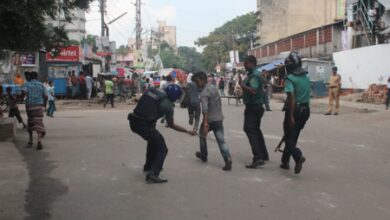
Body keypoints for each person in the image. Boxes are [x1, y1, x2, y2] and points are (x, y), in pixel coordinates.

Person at [128, 84, 195, 184]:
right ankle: (153, 173)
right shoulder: (167, 105)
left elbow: (144, 104)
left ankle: (148, 166)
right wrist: (187, 131)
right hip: (144, 126)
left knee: (153, 141)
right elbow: (171, 125)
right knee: (162, 148)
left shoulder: (152, 90)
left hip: (133, 120)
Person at [193, 72, 233, 171]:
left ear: (202, 80)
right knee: (221, 140)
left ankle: (204, 155)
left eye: (197, 82)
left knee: (202, 134)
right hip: (218, 118)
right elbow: (218, 102)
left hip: (210, 119)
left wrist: (205, 123)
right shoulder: (214, 88)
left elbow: (205, 109)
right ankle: (227, 157)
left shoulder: (203, 93)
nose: (196, 84)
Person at [280, 52, 310, 174]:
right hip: (306, 110)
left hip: (295, 110)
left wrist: (291, 116)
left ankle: (297, 156)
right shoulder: (305, 77)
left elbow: (291, 96)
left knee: (288, 137)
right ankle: (285, 161)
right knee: (293, 136)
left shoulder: (289, 78)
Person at [239, 55, 269, 169]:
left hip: (253, 107)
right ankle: (264, 154)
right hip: (256, 106)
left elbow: (254, 90)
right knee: (256, 130)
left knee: (249, 129)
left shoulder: (255, 76)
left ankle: (258, 157)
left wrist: (242, 85)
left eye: (246, 64)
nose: (245, 66)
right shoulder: (255, 74)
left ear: (252, 63)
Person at [22, 71, 47, 150]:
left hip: (29, 106)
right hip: (39, 107)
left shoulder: (27, 84)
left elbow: (24, 92)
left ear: (30, 77)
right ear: (37, 77)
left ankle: (30, 140)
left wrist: (23, 97)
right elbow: (46, 96)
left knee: (30, 122)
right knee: (39, 123)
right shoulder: (41, 85)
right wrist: (44, 104)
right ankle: (39, 141)